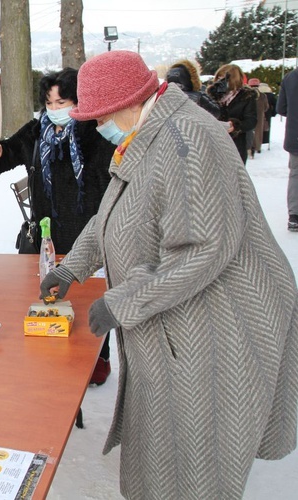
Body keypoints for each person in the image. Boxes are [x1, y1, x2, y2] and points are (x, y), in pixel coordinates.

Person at [40, 50, 298, 499]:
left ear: (134, 99)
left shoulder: (185, 140)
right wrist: (72, 266)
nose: (98, 126)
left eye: (101, 116)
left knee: (198, 446)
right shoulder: (147, 131)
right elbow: (110, 214)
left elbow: (202, 249)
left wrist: (121, 302)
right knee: (169, 438)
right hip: (178, 310)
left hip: (219, 316)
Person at [0, 68, 116, 385]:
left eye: (63, 101)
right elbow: (12, 149)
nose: (56, 110)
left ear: (79, 102)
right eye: (50, 102)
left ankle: (100, 357)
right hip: (48, 233)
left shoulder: (95, 133)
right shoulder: (37, 130)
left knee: (92, 297)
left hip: (88, 232)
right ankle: (59, 357)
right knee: (52, 295)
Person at [207, 63, 258, 164]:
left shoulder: (247, 96)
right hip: (214, 144)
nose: (220, 81)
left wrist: (235, 125)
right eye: (218, 77)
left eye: (223, 77)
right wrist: (213, 96)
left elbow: (251, 121)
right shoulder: (212, 95)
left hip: (236, 145)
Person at [277, 69, 298, 231]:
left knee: (295, 174)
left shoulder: (290, 77)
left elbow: (281, 108)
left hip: (295, 134)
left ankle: (294, 215)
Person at [247, 78, 269, 159]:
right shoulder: (263, 95)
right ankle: (258, 148)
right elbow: (266, 107)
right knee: (258, 132)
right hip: (260, 116)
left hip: (249, 115)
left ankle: (250, 147)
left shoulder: (247, 95)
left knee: (249, 131)